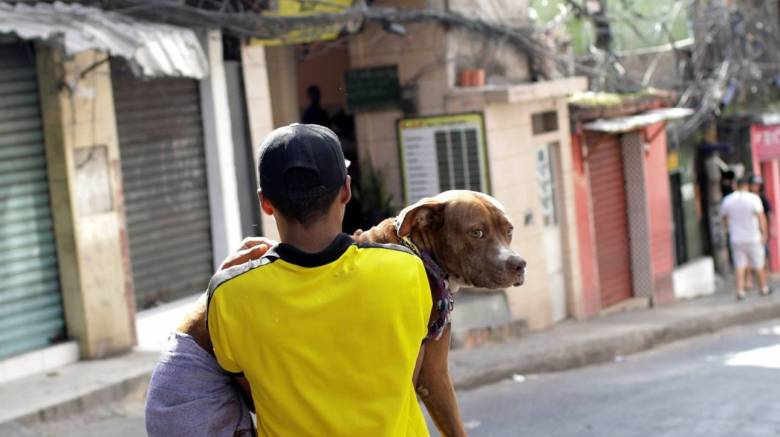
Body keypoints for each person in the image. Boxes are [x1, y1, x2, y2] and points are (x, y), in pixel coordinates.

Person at [207, 124, 432, 436]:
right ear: (346, 190)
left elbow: (255, 395)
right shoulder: (405, 270)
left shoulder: (230, 296)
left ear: (265, 202)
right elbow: (410, 372)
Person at [720, 176, 773, 300]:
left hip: (736, 237)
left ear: (735, 185)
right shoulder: (753, 198)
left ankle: (740, 290)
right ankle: (763, 288)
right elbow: (761, 218)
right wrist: (764, 233)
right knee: (759, 263)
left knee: (739, 264)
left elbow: (724, 218)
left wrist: (728, 229)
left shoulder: (728, 200)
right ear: (747, 186)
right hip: (753, 236)